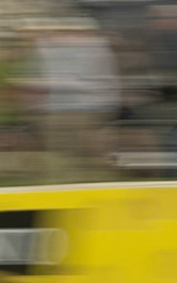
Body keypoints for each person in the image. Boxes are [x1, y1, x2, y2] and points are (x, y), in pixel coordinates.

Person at [31, 18, 121, 182]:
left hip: (85, 111)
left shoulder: (92, 47)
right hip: (66, 110)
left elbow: (88, 82)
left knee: (83, 159)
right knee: (65, 160)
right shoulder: (53, 47)